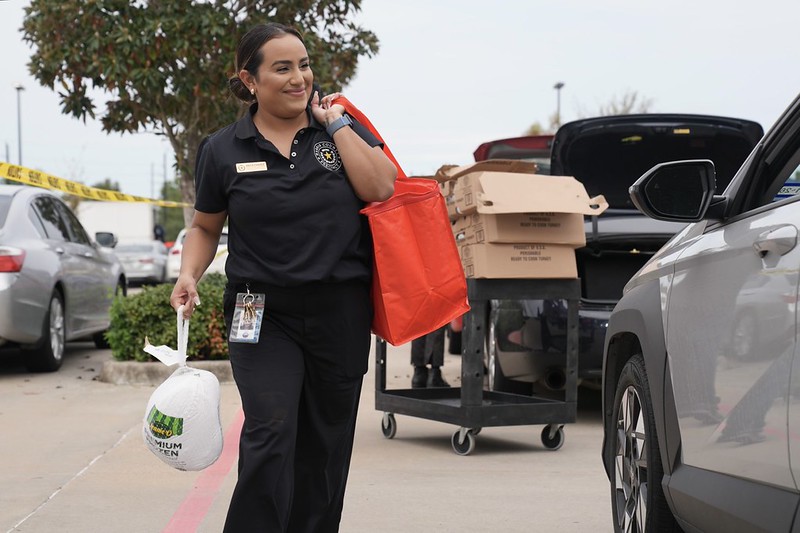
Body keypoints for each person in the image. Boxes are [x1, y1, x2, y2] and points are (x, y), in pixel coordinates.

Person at [169, 22, 396, 533]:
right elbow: (206, 227)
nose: (300, 78)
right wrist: (189, 274)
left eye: (304, 65)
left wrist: (336, 124)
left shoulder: (339, 131)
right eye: (283, 68)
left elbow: (381, 185)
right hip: (259, 311)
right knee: (270, 432)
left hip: (339, 310)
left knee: (324, 445)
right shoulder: (223, 149)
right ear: (249, 80)